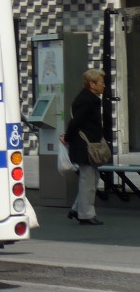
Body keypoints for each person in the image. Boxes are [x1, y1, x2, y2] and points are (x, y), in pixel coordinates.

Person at [62, 69, 109, 226]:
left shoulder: (90, 98)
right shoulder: (86, 100)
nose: (104, 86)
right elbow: (76, 123)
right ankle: (86, 214)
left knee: (92, 178)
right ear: (92, 84)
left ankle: (77, 209)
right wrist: (68, 137)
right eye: (101, 83)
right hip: (85, 147)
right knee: (88, 180)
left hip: (88, 145)